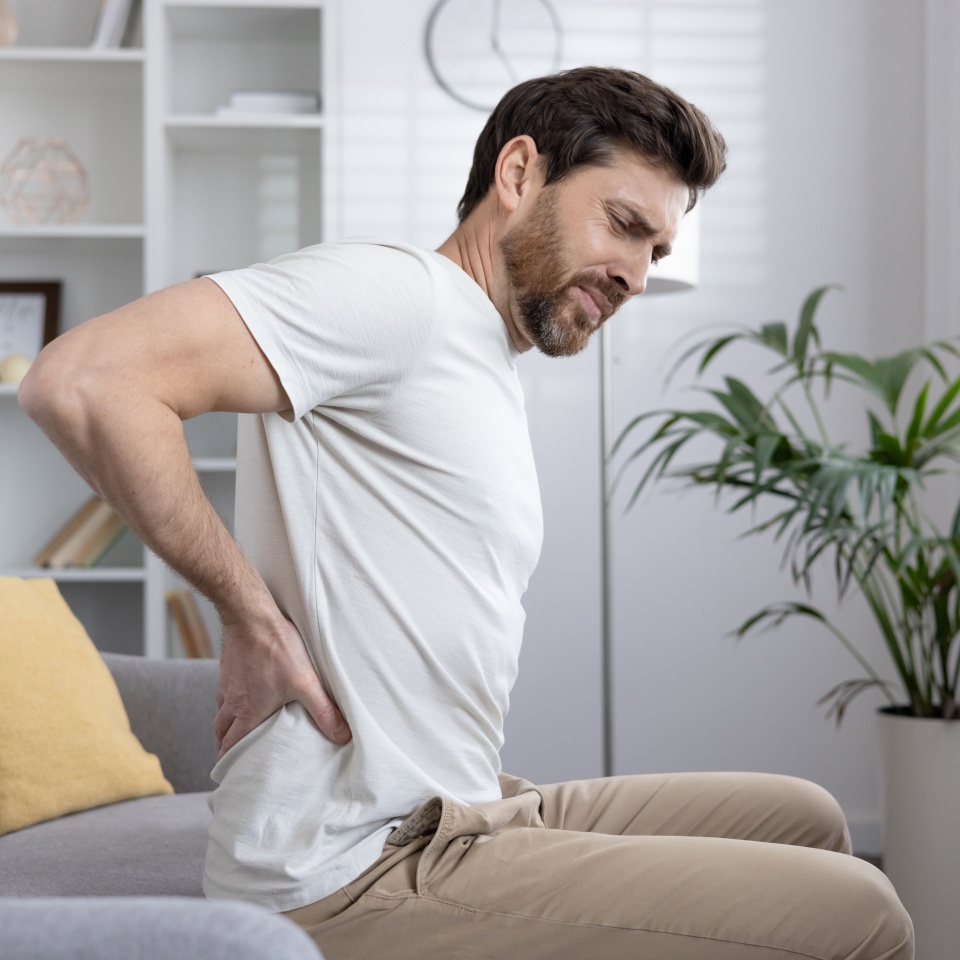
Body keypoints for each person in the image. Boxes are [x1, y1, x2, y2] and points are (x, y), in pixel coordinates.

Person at [21, 67, 912, 959]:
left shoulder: (480, 349)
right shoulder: (399, 294)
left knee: (806, 817)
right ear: (519, 174)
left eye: (658, 253)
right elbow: (85, 380)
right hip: (355, 866)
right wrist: (248, 616)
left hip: (461, 810)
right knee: (863, 911)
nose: (638, 277)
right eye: (624, 224)